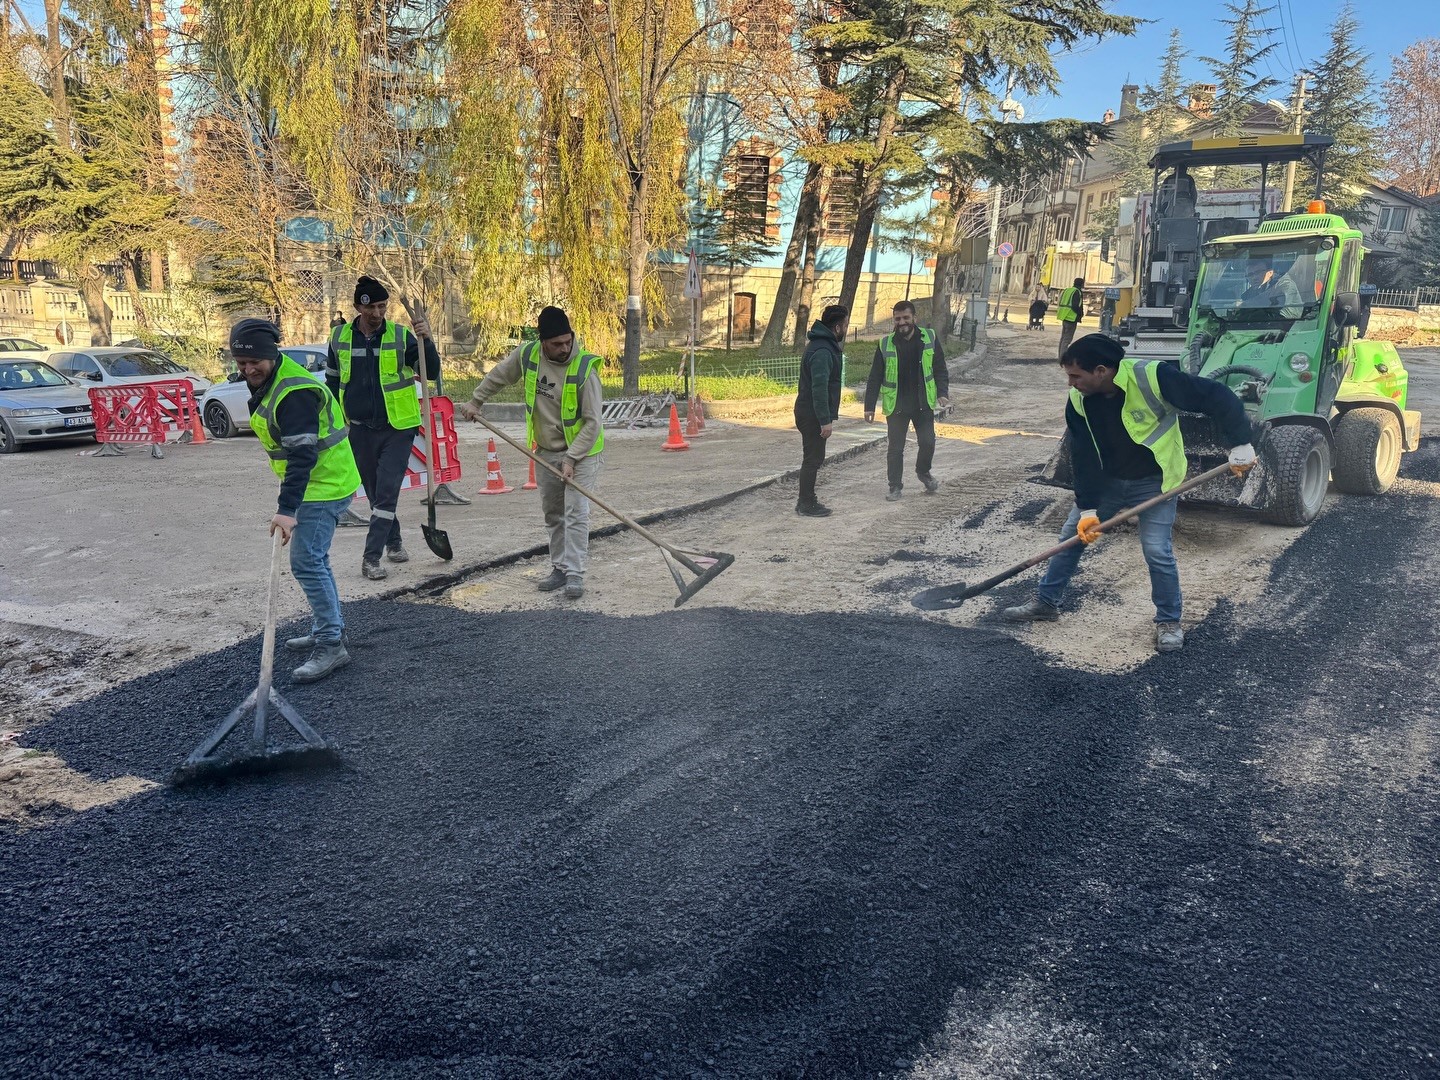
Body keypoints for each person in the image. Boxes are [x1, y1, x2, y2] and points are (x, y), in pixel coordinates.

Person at [1001, 333, 1256, 653]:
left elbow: (1216, 395)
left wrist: (1241, 442)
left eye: (1075, 375)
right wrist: (1090, 508)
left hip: (1154, 481)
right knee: (1071, 535)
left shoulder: (1153, 377)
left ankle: (1168, 621)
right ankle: (1046, 603)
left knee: (1156, 549)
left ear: (1101, 371)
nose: (1071, 383)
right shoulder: (1079, 400)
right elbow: (1083, 456)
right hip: (1108, 482)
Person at [231, 318, 361, 683]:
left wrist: (286, 510)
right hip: (317, 483)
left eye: (254, 361)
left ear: (271, 354)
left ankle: (332, 645)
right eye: (241, 363)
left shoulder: (294, 393)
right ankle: (328, 629)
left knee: (306, 562)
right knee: (315, 561)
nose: (248, 369)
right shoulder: (272, 380)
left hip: (324, 484)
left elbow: (302, 457)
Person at [456, 306, 603, 600]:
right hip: (546, 452)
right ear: (542, 341)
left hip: (582, 455)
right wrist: (476, 401)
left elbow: (593, 423)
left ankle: (575, 574)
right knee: (554, 513)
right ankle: (560, 568)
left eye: (568, 341)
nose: (565, 348)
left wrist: (572, 459)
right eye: (557, 343)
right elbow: (499, 375)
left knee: (575, 513)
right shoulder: (528, 355)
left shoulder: (585, 369)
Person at [325, 276, 441, 580]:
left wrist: (426, 340)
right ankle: (393, 540)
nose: (377, 313)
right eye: (371, 307)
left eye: (382, 306)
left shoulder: (402, 337)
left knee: (388, 491)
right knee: (376, 493)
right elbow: (333, 381)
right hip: (360, 428)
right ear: (358, 307)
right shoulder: (338, 339)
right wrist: (335, 421)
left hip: (398, 427)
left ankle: (371, 557)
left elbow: (431, 372)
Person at [864, 300, 951, 501]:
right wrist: (869, 406)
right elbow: (875, 376)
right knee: (895, 449)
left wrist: (942, 392)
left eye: (905, 318)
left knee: (928, 443)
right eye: (897, 318)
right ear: (894, 320)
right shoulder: (885, 344)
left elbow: (940, 367)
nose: (901, 322)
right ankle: (895, 486)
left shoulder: (929, 338)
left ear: (914, 318)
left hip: (923, 403)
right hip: (897, 406)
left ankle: (923, 472)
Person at [793, 303, 848, 517]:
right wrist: (825, 420)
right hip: (812, 414)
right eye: (845, 324)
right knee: (812, 459)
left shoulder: (820, 345)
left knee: (813, 457)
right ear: (837, 327)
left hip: (809, 411)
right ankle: (806, 503)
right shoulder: (823, 351)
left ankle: (806, 501)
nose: (845, 328)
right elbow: (819, 387)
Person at [1237, 257, 1303, 319]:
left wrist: (1245, 305)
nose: (1254, 277)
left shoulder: (1284, 285)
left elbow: (1288, 314)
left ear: (1270, 272)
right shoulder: (1251, 293)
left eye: (1258, 272)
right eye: (1250, 274)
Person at [1056, 277, 1084, 360]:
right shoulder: (1077, 292)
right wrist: (1080, 314)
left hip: (1064, 317)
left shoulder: (1068, 290)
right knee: (1067, 339)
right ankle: (1062, 358)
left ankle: (1060, 356)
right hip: (1071, 318)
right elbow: (1075, 306)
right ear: (1081, 284)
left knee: (1063, 338)